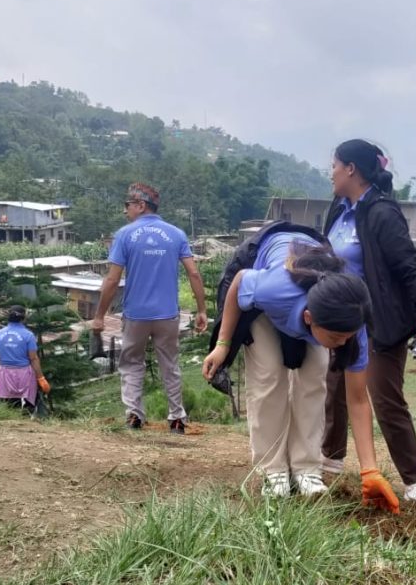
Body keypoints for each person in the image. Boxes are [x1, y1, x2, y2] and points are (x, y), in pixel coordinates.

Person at [202, 227, 399, 513]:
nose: (341, 345)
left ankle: (307, 468)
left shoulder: (349, 319)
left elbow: (357, 399)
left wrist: (370, 471)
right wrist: (222, 344)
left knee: (315, 377)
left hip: (316, 301)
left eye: (347, 338)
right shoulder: (274, 289)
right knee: (269, 376)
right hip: (265, 308)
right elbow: (239, 283)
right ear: (309, 319)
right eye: (335, 339)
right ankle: (272, 469)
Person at [321, 139, 416, 512]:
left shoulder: (381, 212)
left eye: (334, 165)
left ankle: (415, 482)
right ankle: (329, 462)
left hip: (380, 321)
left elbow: (409, 266)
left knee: (384, 398)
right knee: (335, 391)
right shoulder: (338, 209)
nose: (330, 172)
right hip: (342, 318)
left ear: (351, 170)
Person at [92, 182, 207, 433]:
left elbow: (112, 280)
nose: (125, 211)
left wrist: (100, 315)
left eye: (128, 205)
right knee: (170, 364)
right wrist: (201, 309)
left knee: (132, 362)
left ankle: (134, 416)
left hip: (136, 315)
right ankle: (177, 418)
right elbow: (194, 273)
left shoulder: (124, 235)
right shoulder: (176, 234)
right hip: (168, 315)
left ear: (141, 206)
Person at [0, 305, 51, 415]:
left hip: (4, 374)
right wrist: (41, 378)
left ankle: (11, 424)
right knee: (29, 404)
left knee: (8, 405)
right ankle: (25, 420)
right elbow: (33, 358)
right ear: (23, 318)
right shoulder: (28, 335)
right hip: (24, 375)